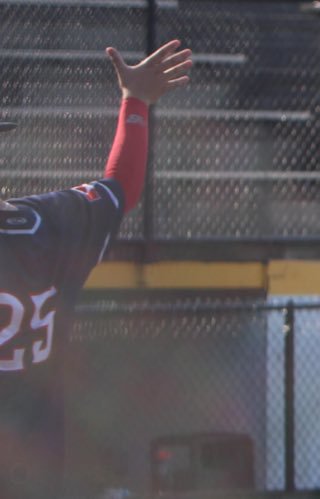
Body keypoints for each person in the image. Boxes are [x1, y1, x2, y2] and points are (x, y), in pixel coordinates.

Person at [0, 40, 192, 499]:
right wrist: (136, 104)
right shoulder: (44, 223)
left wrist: (137, 102)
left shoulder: (46, 222)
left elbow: (117, 188)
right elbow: (120, 186)